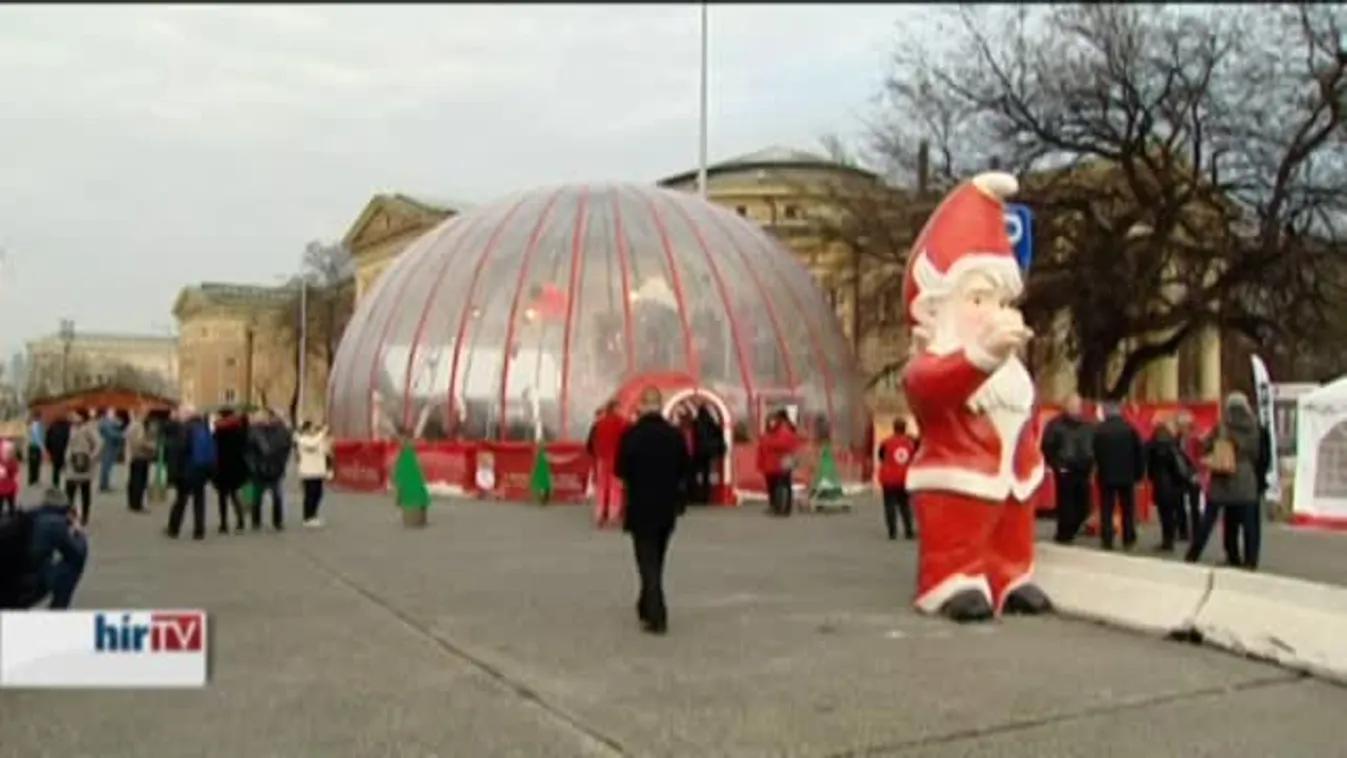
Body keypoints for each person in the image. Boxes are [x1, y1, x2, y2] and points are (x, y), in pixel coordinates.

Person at [900, 171, 1050, 624]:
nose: (997, 316)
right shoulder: (932, 365)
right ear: (935, 309)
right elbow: (933, 390)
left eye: (1003, 302)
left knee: (1012, 531)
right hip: (958, 479)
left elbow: (1024, 411)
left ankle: (1011, 575)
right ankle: (953, 581)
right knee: (959, 536)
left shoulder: (1012, 374)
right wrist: (982, 356)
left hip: (1012, 479)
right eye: (980, 300)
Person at [615, 386, 691, 635]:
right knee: (657, 558)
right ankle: (645, 604)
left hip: (640, 505)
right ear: (660, 406)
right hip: (666, 506)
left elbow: (620, 469)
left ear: (642, 406)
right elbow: (684, 468)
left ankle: (657, 614)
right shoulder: (674, 435)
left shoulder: (631, 435)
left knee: (646, 560)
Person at [1185, 392, 1264, 569]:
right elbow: (1258, 454)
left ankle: (1194, 554)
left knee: (1210, 519)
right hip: (1245, 479)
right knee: (1249, 523)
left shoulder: (1222, 427)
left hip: (1222, 477)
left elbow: (1206, 448)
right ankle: (1250, 560)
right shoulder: (1254, 427)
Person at [0, 489, 88, 609]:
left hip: (9, 583)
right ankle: (57, 610)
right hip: (17, 589)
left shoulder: (22, 518)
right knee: (74, 561)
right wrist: (79, 533)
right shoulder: (52, 523)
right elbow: (77, 553)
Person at [1040, 394, 1096, 544]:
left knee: (1084, 504)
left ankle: (1073, 527)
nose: (1075, 409)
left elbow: (1094, 444)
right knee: (1066, 503)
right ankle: (1064, 533)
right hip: (1065, 468)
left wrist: (1093, 462)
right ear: (1065, 406)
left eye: (1077, 405)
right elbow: (1047, 446)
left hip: (1084, 468)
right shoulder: (1055, 425)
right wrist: (1056, 465)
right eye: (1072, 405)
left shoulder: (1088, 425)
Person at [1091, 404, 1146, 551]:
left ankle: (1107, 538)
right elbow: (1139, 452)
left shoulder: (1099, 430)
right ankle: (1128, 538)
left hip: (1106, 474)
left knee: (1106, 508)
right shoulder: (1130, 429)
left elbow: (1093, 452)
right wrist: (1139, 474)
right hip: (1127, 475)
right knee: (1127, 508)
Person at [1147, 414, 1197, 552]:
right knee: (1173, 510)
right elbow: (1178, 465)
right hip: (1173, 483)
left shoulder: (1154, 442)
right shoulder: (1171, 444)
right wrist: (1187, 476)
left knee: (1165, 513)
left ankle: (1167, 540)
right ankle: (1172, 538)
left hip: (1160, 482)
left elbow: (1149, 462)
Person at [165, 404, 214, 540]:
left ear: (186, 414)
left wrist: (173, 474)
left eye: (181, 413)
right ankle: (199, 530)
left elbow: (179, 451)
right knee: (199, 500)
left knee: (181, 499)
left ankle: (173, 528)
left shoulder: (184, 428)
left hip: (187, 470)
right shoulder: (204, 427)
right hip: (201, 469)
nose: (179, 416)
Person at [246, 409, 293, 531]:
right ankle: (258, 521)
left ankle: (276, 521)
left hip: (273, 468)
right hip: (261, 469)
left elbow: (286, 449)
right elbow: (249, 451)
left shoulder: (280, 431)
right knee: (258, 497)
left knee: (275, 497)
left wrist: (281, 463)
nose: (266, 420)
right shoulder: (254, 431)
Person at [586, 401, 629, 528]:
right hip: (616, 458)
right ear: (616, 408)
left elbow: (594, 441)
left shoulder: (599, 424)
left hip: (601, 459)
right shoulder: (622, 423)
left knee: (601, 487)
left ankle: (599, 514)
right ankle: (612, 515)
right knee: (615, 488)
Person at [876, 418, 918, 540]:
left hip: (889, 478)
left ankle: (892, 531)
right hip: (904, 478)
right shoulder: (911, 443)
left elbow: (881, 457)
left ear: (894, 428)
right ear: (905, 429)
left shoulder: (886, 442)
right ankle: (908, 530)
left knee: (890, 506)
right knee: (905, 505)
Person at [211, 408, 249, 533]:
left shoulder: (218, 430)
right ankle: (240, 522)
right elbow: (244, 443)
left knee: (222, 497)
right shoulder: (238, 429)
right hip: (235, 466)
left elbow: (214, 447)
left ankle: (223, 524)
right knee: (235, 495)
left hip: (221, 466)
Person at [758, 411, 802, 517]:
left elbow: (784, 444)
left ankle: (783, 507)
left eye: (772, 420)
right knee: (775, 485)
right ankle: (776, 506)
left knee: (782, 485)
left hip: (781, 462)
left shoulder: (783, 431)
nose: (771, 423)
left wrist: (768, 442)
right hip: (772, 464)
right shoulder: (771, 432)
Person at [63, 409, 101, 526]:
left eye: (75, 414)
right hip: (72, 462)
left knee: (85, 490)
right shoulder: (72, 428)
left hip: (84, 463)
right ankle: (70, 514)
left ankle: (85, 515)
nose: (73, 416)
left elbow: (99, 443)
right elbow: (69, 445)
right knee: (69, 491)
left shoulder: (88, 429)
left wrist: (91, 457)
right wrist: (66, 458)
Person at [294, 421, 332, 527]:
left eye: (315, 428)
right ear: (306, 429)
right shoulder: (302, 439)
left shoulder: (318, 439)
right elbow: (312, 445)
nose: (314, 430)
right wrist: (322, 433)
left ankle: (314, 515)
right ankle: (307, 517)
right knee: (310, 495)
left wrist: (326, 442)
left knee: (318, 494)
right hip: (308, 472)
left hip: (318, 471)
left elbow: (325, 452)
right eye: (312, 428)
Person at [689, 405, 727, 505]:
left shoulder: (696, 422)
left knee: (694, 474)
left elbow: (693, 437)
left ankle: (695, 496)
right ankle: (705, 497)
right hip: (708, 452)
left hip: (697, 452)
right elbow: (719, 432)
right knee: (706, 474)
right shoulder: (711, 422)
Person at [124, 407, 157, 513]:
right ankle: (137, 504)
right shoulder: (139, 426)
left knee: (133, 480)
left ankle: (132, 503)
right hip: (140, 456)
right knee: (140, 481)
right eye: (145, 413)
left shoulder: (131, 425)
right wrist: (151, 446)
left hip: (134, 456)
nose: (146, 415)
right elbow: (140, 442)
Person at [96, 408, 125, 493]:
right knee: (106, 466)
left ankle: (105, 484)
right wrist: (121, 435)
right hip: (109, 445)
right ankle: (103, 485)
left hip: (111, 445)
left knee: (107, 466)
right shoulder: (104, 422)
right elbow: (111, 434)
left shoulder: (107, 422)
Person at [43, 412, 71, 489]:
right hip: (65, 450)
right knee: (67, 470)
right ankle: (67, 486)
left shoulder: (52, 426)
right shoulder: (68, 426)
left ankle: (56, 486)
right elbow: (70, 438)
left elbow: (47, 439)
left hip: (55, 451)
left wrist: (48, 449)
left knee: (55, 471)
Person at [0, 440, 19, 517]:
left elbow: (15, 474)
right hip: (1, 488)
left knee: (11, 505)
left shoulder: (13, 462)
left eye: (10, 452)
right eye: (6, 452)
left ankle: (12, 515)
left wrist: (16, 485)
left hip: (10, 488)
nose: (8, 454)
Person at [26, 412, 44, 487]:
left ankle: (31, 481)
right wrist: (42, 448)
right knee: (35, 465)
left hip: (31, 447)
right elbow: (37, 438)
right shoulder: (36, 425)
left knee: (32, 466)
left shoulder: (32, 425)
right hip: (35, 448)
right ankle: (34, 481)